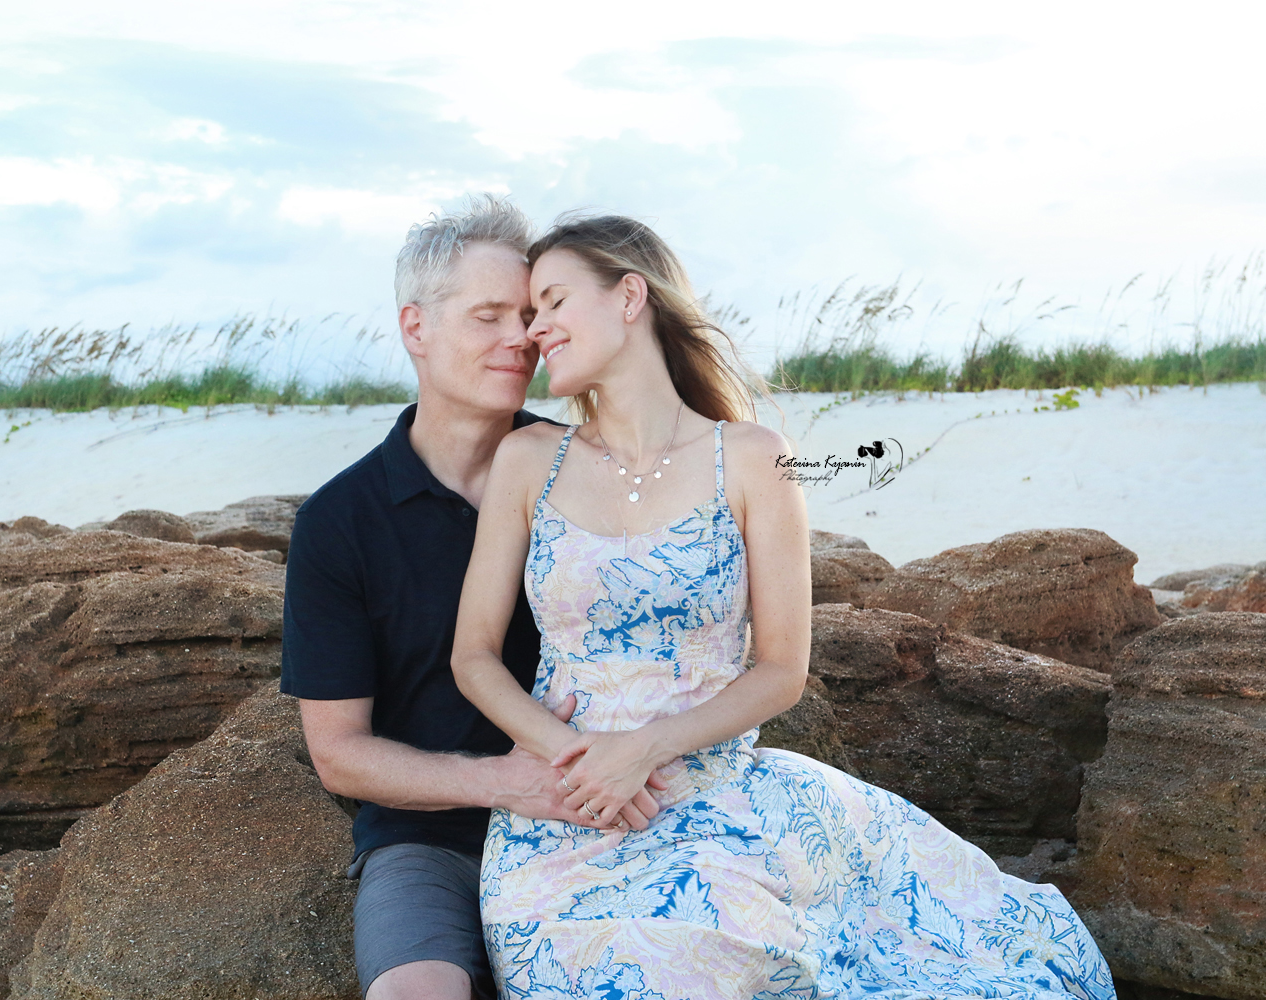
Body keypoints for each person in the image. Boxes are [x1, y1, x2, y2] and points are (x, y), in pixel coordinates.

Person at [450, 214, 1118, 999]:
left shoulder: (756, 458)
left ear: (629, 296)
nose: (536, 330)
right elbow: (471, 656)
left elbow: (780, 670)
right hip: (563, 814)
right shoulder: (529, 459)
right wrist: (576, 756)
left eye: (553, 301)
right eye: (531, 313)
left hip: (716, 795)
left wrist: (645, 749)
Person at [279, 196, 668, 1000]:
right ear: (414, 326)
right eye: (488, 315)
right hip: (431, 843)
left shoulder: (587, 472)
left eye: (529, 315)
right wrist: (504, 783)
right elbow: (338, 752)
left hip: (603, 818)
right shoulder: (339, 521)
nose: (520, 338)